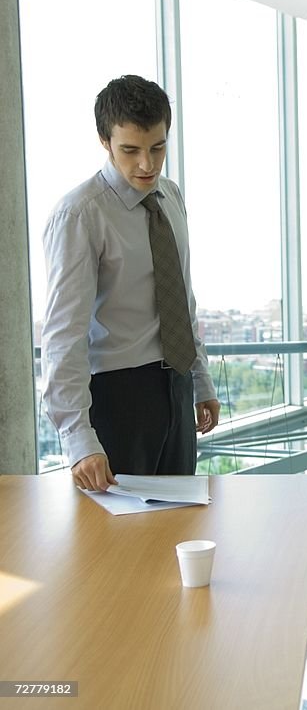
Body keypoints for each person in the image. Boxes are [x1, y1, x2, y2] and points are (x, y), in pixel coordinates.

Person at [41, 75, 220, 493]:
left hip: (174, 387)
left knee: (178, 530)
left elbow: (181, 300)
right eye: (130, 150)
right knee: (117, 545)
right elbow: (62, 336)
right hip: (116, 399)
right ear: (105, 141)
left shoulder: (171, 198)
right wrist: (78, 439)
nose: (147, 164)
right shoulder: (80, 215)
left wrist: (199, 380)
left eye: (158, 147)